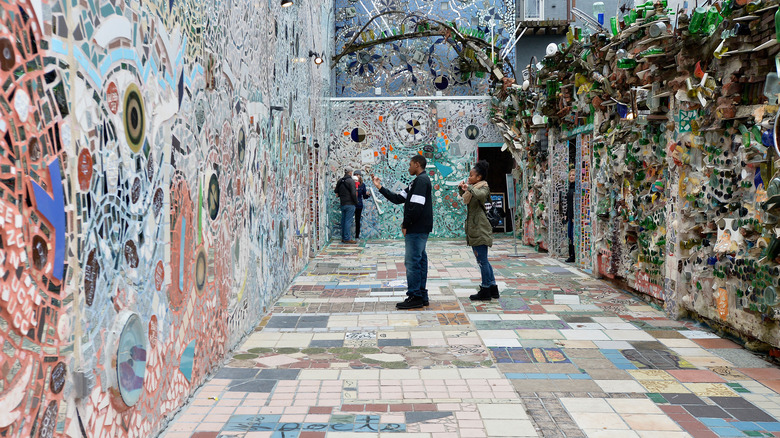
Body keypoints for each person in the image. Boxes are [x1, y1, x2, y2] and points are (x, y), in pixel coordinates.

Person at [372, 155, 433, 309]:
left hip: (416, 228)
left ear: (417, 164)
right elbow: (398, 198)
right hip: (420, 228)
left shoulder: (421, 181)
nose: (409, 167)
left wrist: (406, 224)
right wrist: (379, 187)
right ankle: (421, 294)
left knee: (412, 262)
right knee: (420, 261)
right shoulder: (416, 182)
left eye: (410, 164)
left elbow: (417, 207)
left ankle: (415, 296)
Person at [458, 160, 499, 301]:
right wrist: (462, 188)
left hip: (480, 228)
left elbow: (480, 196)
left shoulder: (483, 187)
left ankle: (485, 289)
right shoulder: (474, 187)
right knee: (483, 260)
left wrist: (468, 188)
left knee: (482, 261)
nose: (469, 178)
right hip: (475, 228)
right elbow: (466, 199)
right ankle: (493, 288)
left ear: (479, 177)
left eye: (471, 176)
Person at [335, 167, 358, 244]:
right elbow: (353, 193)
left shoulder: (340, 181)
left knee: (343, 220)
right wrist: (356, 201)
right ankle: (347, 238)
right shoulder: (350, 181)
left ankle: (344, 237)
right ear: (350, 172)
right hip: (350, 204)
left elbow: (336, 192)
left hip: (343, 203)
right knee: (348, 221)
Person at [560, 168, 576, 263]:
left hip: (574, 217)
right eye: (570, 175)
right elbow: (569, 203)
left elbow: (575, 204)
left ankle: (573, 255)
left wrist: (574, 216)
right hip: (570, 216)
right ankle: (571, 254)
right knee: (570, 235)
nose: (571, 177)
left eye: (573, 175)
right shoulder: (570, 188)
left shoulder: (576, 189)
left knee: (573, 236)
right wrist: (566, 215)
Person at [353, 170, 371, 240]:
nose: (357, 176)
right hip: (352, 204)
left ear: (360, 176)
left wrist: (367, 194)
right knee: (349, 220)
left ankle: (357, 235)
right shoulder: (351, 183)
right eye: (355, 174)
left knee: (358, 220)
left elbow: (364, 196)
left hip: (359, 204)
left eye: (358, 175)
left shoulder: (362, 185)